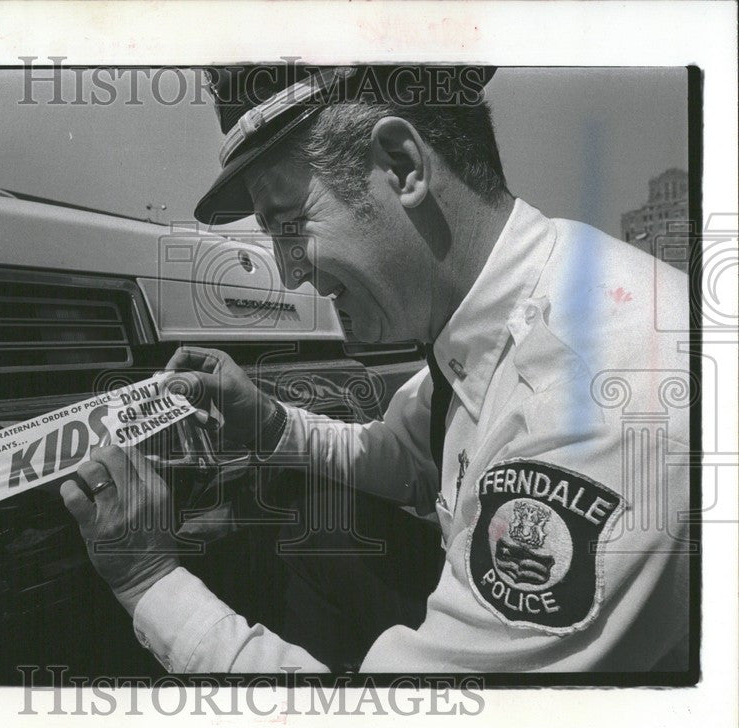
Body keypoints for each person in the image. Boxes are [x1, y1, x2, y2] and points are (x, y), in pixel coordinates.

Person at [62, 65, 691, 673]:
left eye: (290, 225)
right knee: (307, 510)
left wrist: (150, 582)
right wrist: (272, 426)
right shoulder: (515, 303)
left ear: (403, 166)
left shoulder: (585, 405)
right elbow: (414, 460)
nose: (291, 271)